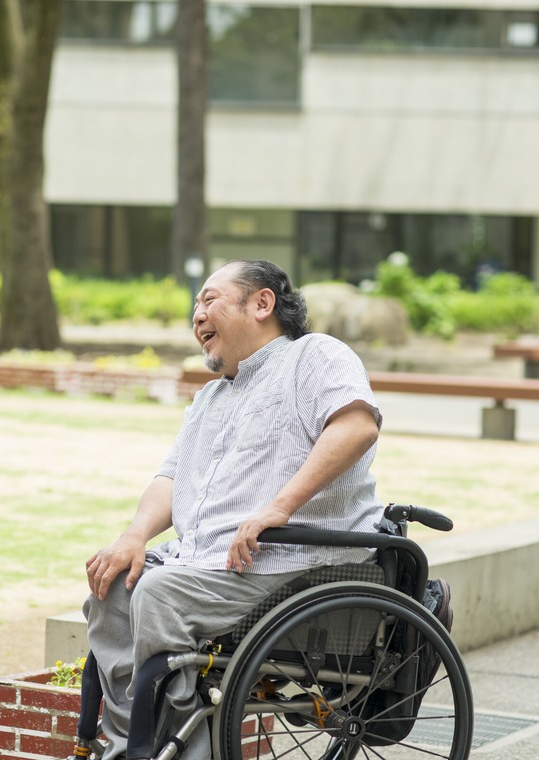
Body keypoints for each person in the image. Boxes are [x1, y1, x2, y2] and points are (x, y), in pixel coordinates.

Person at [83, 259, 383, 760]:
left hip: (290, 565)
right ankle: (131, 738)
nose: (196, 316)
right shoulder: (209, 398)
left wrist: (279, 507)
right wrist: (134, 536)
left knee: (157, 594)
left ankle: (171, 745)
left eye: (209, 299)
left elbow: (356, 427)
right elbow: (171, 477)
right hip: (212, 565)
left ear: (262, 303)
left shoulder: (313, 356)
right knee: (114, 584)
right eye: (195, 306)